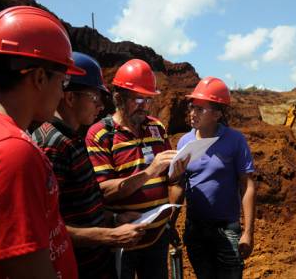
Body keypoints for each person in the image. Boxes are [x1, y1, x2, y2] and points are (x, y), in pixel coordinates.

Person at [0, 6, 85, 278]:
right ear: (40, 77)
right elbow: (26, 267)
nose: (62, 93)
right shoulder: (12, 150)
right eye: (63, 81)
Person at [32, 52, 148, 278]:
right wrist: (109, 236)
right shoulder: (52, 145)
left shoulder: (72, 139)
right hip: (78, 267)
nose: (100, 106)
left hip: (96, 263)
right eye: (94, 98)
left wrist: (114, 220)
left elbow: (82, 206)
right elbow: (47, 229)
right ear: (70, 98)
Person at [85, 59, 188, 279]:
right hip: (124, 240)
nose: (145, 106)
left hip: (157, 236)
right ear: (119, 98)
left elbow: (169, 179)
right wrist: (150, 171)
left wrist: (175, 173)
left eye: (148, 99)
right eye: (138, 99)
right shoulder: (100, 134)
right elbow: (103, 190)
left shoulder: (156, 127)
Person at [178, 77, 256, 279]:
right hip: (195, 230)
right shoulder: (184, 142)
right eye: (192, 107)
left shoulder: (235, 140)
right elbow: (178, 185)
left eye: (200, 109)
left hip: (226, 230)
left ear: (218, 114)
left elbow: (247, 186)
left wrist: (248, 232)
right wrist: (170, 223)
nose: (193, 113)